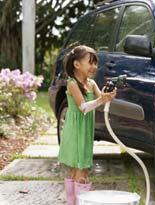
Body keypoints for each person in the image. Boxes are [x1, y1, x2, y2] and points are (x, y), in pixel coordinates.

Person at [58, 45, 116, 205]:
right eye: (90, 62)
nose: (94, 67)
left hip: (85, 130)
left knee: (79, 168)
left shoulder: (91, 83)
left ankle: (73, 202)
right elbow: (83, 107)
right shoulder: (72, 84)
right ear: (76, 64)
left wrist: (108, 95)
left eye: (96, 63)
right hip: (75, 130)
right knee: (80, 169)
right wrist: (101, 100)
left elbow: (101, 98)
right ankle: (77, 202)